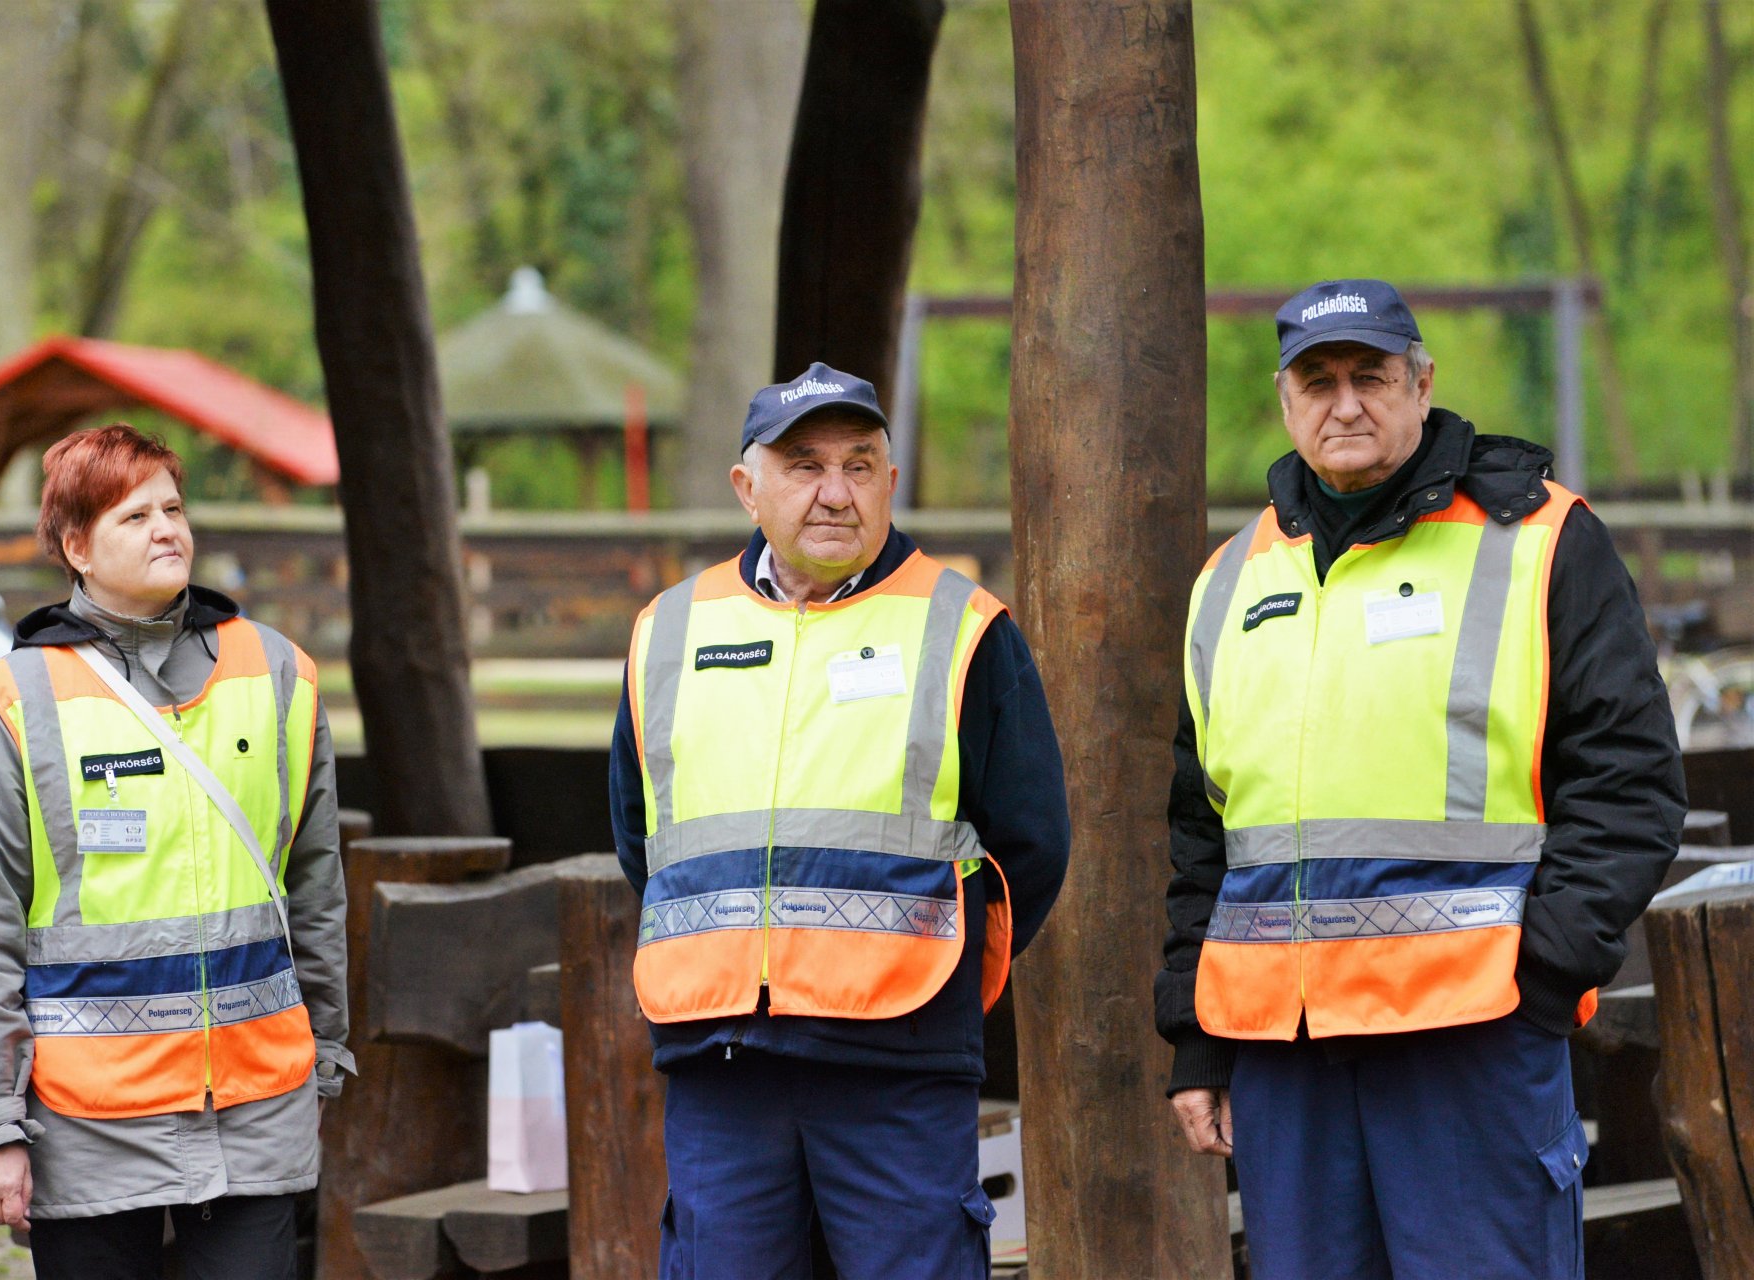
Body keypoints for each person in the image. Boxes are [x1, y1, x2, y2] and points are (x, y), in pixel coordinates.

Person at [1154, 280, 1686, 1279]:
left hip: (1470, 1038)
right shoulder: (1230, 577)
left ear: (1423, 381)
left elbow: (1632, 779)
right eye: (1319, 380)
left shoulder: (1540, 542)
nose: (1345, 403)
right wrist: (1198, 1038)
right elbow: (1203, 832)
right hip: (1285, 1054)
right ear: (1283, 399)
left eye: (1371, 375)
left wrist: (1543, 968)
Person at [609, 362, 1070, 1278]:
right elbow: (642, 836)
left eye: (860, 466)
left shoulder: (964, 625)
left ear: (890, 484)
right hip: (722, 1059)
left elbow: (1032, 844)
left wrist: (926, 978)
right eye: (804, 465)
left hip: (897, 1063)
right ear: (748, 488)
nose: (834, 493)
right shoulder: (668, 629)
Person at [0, 424, 352, 1280]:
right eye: (135, 516)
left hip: (252, 1110)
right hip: (87, 1126)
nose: (167, 528)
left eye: (173, 507)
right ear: (76, 546)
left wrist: (329, 1049)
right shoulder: (19, 700)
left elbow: (315, 883)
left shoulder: (278, 675)